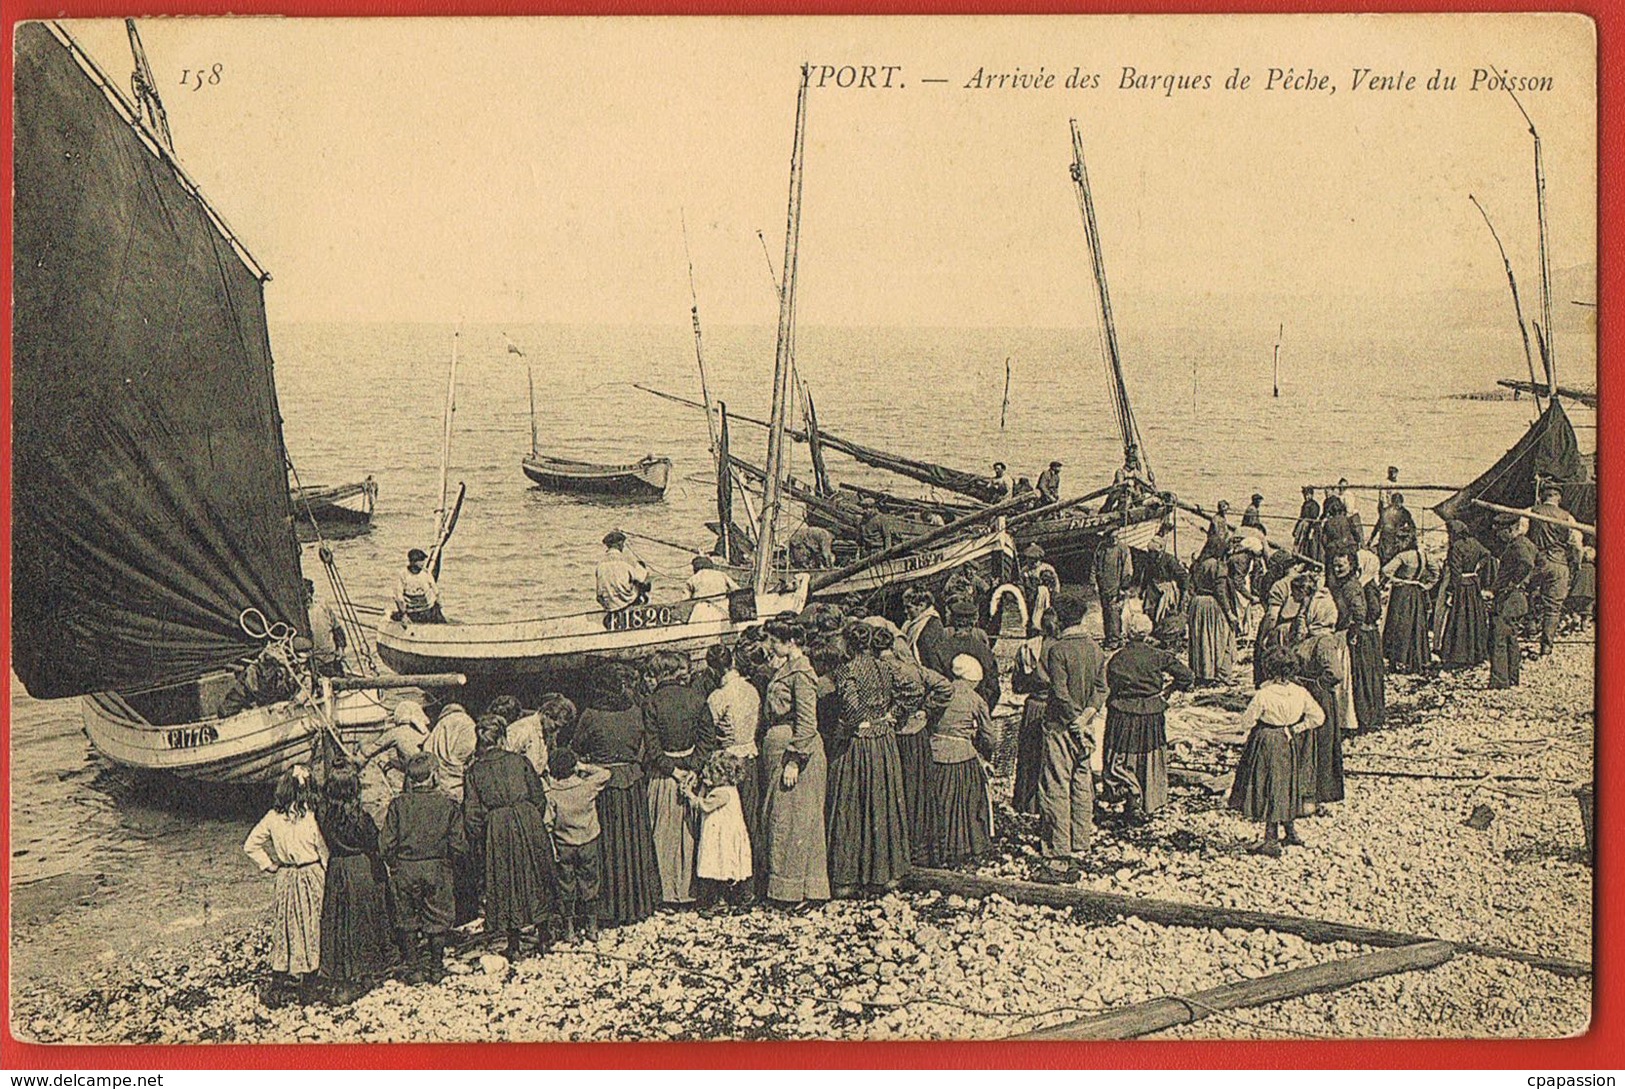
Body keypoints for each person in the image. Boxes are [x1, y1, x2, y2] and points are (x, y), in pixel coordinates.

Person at [822, 623, 911, 897]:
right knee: (882, 805)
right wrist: (889, 716)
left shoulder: (847, 671)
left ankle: (848, 878)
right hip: (884, 741)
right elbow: (909, 693)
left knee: (851, 804)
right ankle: (887, 874)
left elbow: (851, 710)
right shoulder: (885, 667)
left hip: (859, 745)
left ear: (849, 644)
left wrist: (850, 725)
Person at [571, 663, 661, 926]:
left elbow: (577, 746)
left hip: (604, 786)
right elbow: (644, 747)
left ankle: (608, 907)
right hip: (631, 783)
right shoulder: (635, 710)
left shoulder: (590, 715)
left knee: (608, 846)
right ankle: (637, 904)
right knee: (633, 844)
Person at [464, 715, 556, 958]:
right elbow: (538, 797)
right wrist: (530, 819)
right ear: (503, 737)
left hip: (497, 827)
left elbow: (472, 815)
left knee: (504, 880)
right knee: (535, 874)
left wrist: (485, 836)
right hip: (527, 819)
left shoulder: (474, 771)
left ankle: (514, 944)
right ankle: (544, 934)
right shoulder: (520, 761)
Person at [760, 617, 831, 908]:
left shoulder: (801, 673)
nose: (770, 646)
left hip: (797, 753)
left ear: (790, 643)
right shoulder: (789, 667)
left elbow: (807, 722)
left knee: (791, 822)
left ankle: (791, 892)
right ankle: (804, 889)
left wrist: (794, 760)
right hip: (786, 748)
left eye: (775, 641)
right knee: (793, 821)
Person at [243, 766, 327, 1007]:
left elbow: (250, 845)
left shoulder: (272, 817)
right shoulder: (312, 817)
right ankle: (309, 984)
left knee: (287, 927)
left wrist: (268, 865)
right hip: (311, 873)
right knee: (312, 925)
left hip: (286, 876)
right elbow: (323, 851)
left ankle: (280, 981)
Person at [1228, 648, 1324, 857]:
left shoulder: (1264, 694)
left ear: (1269, 669)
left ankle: (1271, 839)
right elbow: (1318, 717)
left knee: (1270, 785)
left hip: (1267, 739)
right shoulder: (1300, 692)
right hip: (1289, 740)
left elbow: (1247, 721)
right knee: (1288, 783)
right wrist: (1294, 729)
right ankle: (1290, 830)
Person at [1102, 610, 1195, 822]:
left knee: (1122, 756)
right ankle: (1146, 801)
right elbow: (1187, 675)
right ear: (1148, 632)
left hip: (1123, 713)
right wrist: (1170, 690)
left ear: (1127, 632)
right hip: (1151, 712)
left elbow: (1109, 685)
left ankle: (1129, 797)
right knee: (1148, 755)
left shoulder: (1117, 659)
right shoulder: (1157, 655)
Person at [381, 752, 465, 984]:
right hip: (436, 867)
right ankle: (436, 967)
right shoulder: (448, 804)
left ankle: (414, 968)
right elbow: (458, 844)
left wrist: (395, 864)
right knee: (437, 919)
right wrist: (450, 863)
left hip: (406, 868)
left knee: (407, 919)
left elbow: (386, 844)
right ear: (434, 776)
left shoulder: (398, 805)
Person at [1038, 589, 1106, 871]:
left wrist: (1075, 721)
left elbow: (1060, 692)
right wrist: (1088, 715)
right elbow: (1102, 688)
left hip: (1061, 725)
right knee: (1081, 782)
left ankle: (1058, 847)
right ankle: (1081, 839)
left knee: (1056, 784)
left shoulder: (1058, 650)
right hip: (1087, 725)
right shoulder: (1095, 648)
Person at [316, 765, 396, 1003]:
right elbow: (374, 844)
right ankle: (365, 966)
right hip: (361, 866)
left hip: (337, 866)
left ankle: (338, 967)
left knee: (338, 917)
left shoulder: (323, 814)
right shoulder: (361, 817)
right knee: (366, 917)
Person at [873, 625, 953, 863]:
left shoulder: (880, 669)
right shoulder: (913, 668)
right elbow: (945, 687)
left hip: (893, 736)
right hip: (916, 734)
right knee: (918, 791)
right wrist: (927, 710)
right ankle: (921, 849)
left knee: (894, 790)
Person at [642, 651, 707, 908]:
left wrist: (673, 770)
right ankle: (688, 890)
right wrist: (692, 768)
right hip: (691, 775)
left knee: (662, 833)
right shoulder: (697, 699)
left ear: (660, 674)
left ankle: (665, 892)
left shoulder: (652, 702)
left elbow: (652, 746)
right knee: (690, 833)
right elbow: (706, 741)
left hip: (665, 776)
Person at [927, 655, 997, 866]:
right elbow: (989, 735)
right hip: (961, 752)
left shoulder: (941, 691)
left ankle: (936, 846)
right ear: (973, 679)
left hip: (935, 749)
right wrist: (985, 753)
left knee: (938, 799)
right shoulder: (975, 699)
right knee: (968, 801)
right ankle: (965, 845)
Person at [706, 643, 764, 896]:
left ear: (712, 669)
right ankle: (749, 884)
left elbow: (712, 730)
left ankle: (727, 883)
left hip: (728, 764)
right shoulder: (751, 690)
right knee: (749, 820)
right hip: (750, 756)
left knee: (726, 825)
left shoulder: (716, 697)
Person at [541, 746, 611, 943]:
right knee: (590, 883)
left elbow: (548, 822)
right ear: (573, 767)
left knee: (567, 887)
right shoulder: (586, 786)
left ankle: (569, 930)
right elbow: (606, 773)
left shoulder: (552, 793)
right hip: (588, 841)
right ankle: (592, 927)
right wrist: (583, 766)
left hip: (564, 845)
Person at [685, 749, 754, 909]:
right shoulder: (729, 789)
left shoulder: (722, 793)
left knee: (719, 864)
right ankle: (735, 898)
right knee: (727, 866)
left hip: (721, 836)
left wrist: (690, 795)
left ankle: (720, 901)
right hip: (725, 833)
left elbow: (704, 805)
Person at [1008, 609, 1058, 816]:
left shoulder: (1028, 648)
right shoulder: (1064, 649)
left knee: (1030, 754)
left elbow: (1017, 686)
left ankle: (1027, 803)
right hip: (1057, 708)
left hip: (1034, 705)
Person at [1329, 552, 1384, 732]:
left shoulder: (1355, 587)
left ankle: (1366, 717)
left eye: (1341, 566)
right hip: (1362, 634)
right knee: (1363, 676)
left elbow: (1365, 612)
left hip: (1361, 635)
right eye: (1335, 566)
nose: (1337, 570)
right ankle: (1366, 717)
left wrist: (1353, 630)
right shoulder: (1351, 584)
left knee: (1362, 676)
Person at [1526, 481, 1581, 656]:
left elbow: (1520, 536)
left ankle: (1531, 626)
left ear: (1542, 496)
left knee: (1529, 592)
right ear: (1559, 497)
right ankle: (1546, 645)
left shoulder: (1530, 511)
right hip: (1559, 564)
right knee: (1553, 606)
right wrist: (1576, 563)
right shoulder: (1567, 517)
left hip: (1537, 562)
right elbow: (1576, 544)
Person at [358, 699, 432, 826]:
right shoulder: (424, 733)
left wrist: (362, 744)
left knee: (408, 812)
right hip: (427, 776)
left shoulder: (396, 733)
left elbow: (369, 751)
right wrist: (393, 763)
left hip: (412, 778)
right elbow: (413, 757)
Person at [1489, 515, 1537, 688]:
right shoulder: (1528, 544)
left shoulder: (1518, 545)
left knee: (1499, 639)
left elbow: (1527, 564)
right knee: (1511, 640)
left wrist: (1511, 584)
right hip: (1518, 598)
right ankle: (1512, 678)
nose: (1499, 536)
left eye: (1500, 532)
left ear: (1509, 530)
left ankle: (1499, 681)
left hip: (1510, 599)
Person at [1438, 521, 1493, 669]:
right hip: (1473, 584)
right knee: (1475, 618)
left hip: (1461, 586)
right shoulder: (1474, 543)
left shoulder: (1456, 547)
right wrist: (1478, 567)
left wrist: (1450, 591)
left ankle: (1459, 655)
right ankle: (1477, 653)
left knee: (1460, 619)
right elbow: (1487, 554)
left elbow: (1455, 572)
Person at [931, 599, 1001, 711]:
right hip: (977, 707)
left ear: (952, 620)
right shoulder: (984, 651)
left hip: (949, 709)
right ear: (974, 621)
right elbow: (994, 688)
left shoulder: (940, 649)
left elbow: (936, 682)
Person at [1381, 532, 1432, 674]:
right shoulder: (1423, 555)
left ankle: (1397, 659)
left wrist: (1397, 580)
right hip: (1416, 591)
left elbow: (1385, 571)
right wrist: (1426, 585)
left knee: (1399, 624)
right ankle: (1415, 660)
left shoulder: (1403, 556)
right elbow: (1435, 571)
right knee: (1416, 625)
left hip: (1402, 593)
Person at [1187, 555, 1237, 685]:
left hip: (1197, 603)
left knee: (1201, 638)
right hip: (1211, 605)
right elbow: (1220, 591)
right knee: (1221, 639)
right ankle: (1220, 675)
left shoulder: (1198, 563)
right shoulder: (1217, 566)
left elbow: (1190, 586)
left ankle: (1202, 673)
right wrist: (1229, 613)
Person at [423, 703, 477, 804]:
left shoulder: (441, 723)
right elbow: (470, 748)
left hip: (440, 783)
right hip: (460, 785)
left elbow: (427, 747)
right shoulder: (467, 722)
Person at [1139, 537, 1188, 646]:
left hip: (1167, 589)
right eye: (1150, 552)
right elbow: (1146, 575)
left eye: (1153, 552)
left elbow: (1183, 576)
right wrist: (1142, 590)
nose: (1151, 554)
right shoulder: (1149, 560)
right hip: (1153, 588)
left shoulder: (1169, 560)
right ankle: (1156, 632)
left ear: (1160, 550)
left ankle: (1169, 636)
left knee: (1165, 613)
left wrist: (1183, 592)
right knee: (1150, 610)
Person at [1093, 529, 1133, 649]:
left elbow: (1127, 569)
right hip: (1103, 586)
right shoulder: (1101, 547)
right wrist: (1094, 582)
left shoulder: (1123, 548)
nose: (1114, 539)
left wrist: (1123, 587)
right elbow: (1095, 565)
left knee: (1114, 613)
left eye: (1116, 537)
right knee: (1106, 612)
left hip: (1116, 587)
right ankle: (1108, 637)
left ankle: (1115, 640)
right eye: (1111, 537)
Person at [595, 530, 652, 612]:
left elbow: (599, 594)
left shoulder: (600, 564)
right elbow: (644, 578)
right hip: (625, 603)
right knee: (641, 572)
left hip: (608, 605)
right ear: (619, 544)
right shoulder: (626, 560)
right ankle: (640, 606)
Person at [305, 579, 348, 678]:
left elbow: (337, 629)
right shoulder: (296, 615)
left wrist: (341, 648)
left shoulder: (322, 606)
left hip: (329, 661)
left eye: (307, 593)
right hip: (308, 665)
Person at [901, 587, 950, 671]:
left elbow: (933, 661)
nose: (905, 611)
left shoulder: (931, 626)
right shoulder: (910, 624)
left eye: (908, 607)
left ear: (921, 606)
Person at [393, 549, 444, 624]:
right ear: (412, 562)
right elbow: (398, 597)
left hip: (427, 610)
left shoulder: (426, 574)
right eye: (420, 561)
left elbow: (436, 592)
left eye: (423, 560)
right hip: (411, 611)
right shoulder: (403, 575)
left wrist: (439, 603)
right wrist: (404, 615)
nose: (423, 563)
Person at [1368, 492, 1418, 567]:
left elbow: (1412, 528)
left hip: (1391, 541)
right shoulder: (1391, 512)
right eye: (1396, 503)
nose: (1397, 505)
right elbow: (1378, 526)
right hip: (1389, 542)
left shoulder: (1402, 512)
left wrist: (1370, 540)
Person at [1318, 495, 1359, 563]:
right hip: (1349, 550)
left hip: (1334, 552)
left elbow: (1324, 541)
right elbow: (1356, 535)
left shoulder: (1328, 523)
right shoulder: (1347, 520)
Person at [1293, 486, 1323, 565]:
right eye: (1305, 495)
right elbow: (1301, 517)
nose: (1306, 497)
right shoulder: (1305, 504)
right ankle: (1298, 557)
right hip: (1302, 525)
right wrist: (1295, 529)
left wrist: (1311, 529)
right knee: (1298, 542)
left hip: (1310, 526)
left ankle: (1307, 560)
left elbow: (1313, 519)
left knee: (1307, 543)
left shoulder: (1314, 505)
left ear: (1312, 495)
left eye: (1308, 495)